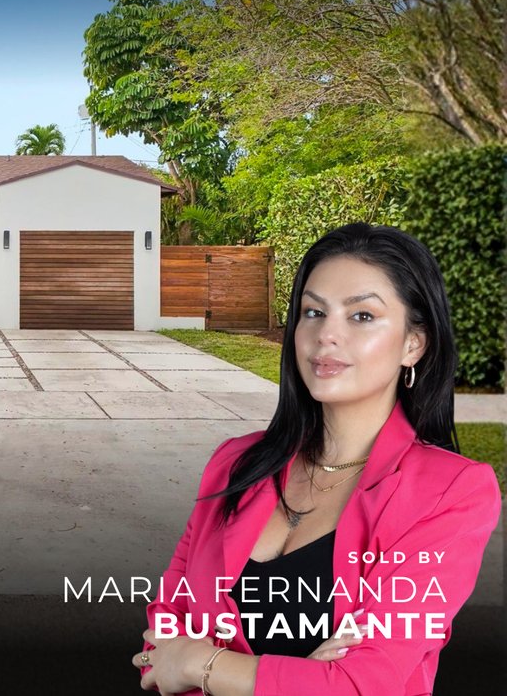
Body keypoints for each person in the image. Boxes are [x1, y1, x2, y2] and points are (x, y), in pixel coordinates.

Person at [131, 222, 502, 695]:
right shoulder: (235, 463)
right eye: (313, 311)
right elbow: (160, 643)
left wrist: (201, 665)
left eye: (362, 315)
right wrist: (298, 677)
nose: (326, 334)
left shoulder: (450, 492)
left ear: (414, 343)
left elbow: (360, 685)